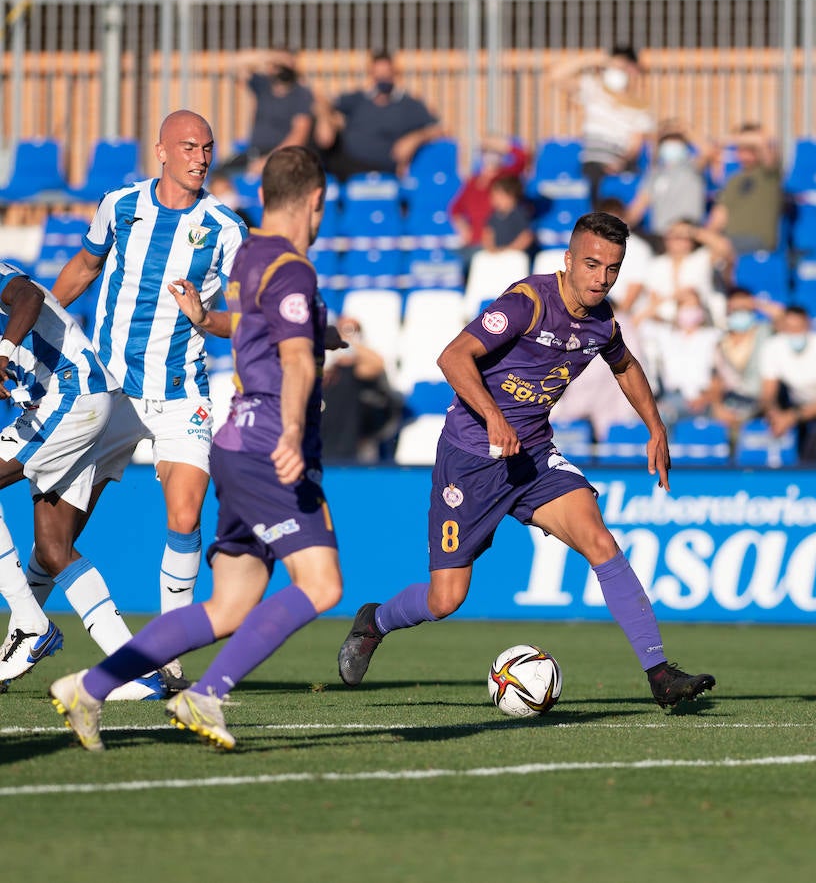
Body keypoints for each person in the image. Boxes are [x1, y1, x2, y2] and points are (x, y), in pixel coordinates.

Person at [335, 212, 715, 711]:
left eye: (612, 268)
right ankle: (374, 621)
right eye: (592, 264)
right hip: (471, 458)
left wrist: (655, 425)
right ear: (568, 260)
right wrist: (493, 416)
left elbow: (624, 365)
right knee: (446, 598)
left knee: (600, 540)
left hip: (532, 456)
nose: (601, 278)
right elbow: (453, 357)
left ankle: (660, 673)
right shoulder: (528, 302)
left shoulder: (602, 323)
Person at [50, 145, 341, 752]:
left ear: (263, 197)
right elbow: (290, 357)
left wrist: (307, 330)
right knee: (322, 586)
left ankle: (91, 687)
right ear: (316, 202)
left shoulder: (252, 254)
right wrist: (291, 430)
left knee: (231, 605)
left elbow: (261, 326)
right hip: (268, 441)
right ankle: (205, 694)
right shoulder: (292, 268)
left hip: (235, 438)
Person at [52, 109, 248, 692]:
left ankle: (168, 644)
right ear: (161, 151)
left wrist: (206, 317)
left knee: (187, 513)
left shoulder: (225, 227)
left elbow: (248, 319)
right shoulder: (120, 205)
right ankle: (23, 634)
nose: (201, 157)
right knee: (61, 527)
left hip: (180, 393)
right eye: (188, 146)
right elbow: (85, 268)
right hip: (108, 391)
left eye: (208, 148)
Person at [0, 262, 159, 700]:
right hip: (62, 405)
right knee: (53, 550)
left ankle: (31, 624)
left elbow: (29, 296)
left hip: (71, 396)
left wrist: (3, 351)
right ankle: (138, 672)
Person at [313, 49, 443, 179]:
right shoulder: (358, 99)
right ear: (371, 74)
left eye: (386, 75)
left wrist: (414, 139)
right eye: (378, 75)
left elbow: (439, 129)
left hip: (386, 171)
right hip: (348, 168)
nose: (382, 79)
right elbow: (323, 102)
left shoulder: (409, 105)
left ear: (394, 73)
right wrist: (325, 118)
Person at [549, 45, 655, 204]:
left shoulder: (640, 108)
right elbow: (555, 77)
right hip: (593, 161)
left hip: (619, 161)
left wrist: (620, 162)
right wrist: (590, 59)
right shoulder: (594, 90)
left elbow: (635, 145)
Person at [758, 305, 816, 462]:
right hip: (795, 406)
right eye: (790, 328)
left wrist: (792, 417)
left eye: (799, 327)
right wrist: (775, 413)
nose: (795, 333)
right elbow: (768, 394)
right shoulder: (772, 347)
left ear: (809, 325)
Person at [219, 48, 315, 175]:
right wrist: (267, 57)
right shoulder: (263, 86)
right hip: (253, 153)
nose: (280, 68)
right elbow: (237, 65)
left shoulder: (301, 94)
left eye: (285, 64)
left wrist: (270, 159)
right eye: (277, 65)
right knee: (219, 175)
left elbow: (299, 135)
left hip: (282, 157)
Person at [320, 315, 402, 464]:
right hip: (317, 445)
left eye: (353, 330)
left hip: (347, 449)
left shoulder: (352, 371)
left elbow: (377, 363)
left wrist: (347, 341)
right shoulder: (318, 370)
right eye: (341, 329)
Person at [625, 219, 733, 329]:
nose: (676, 240)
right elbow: (653, 299)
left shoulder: (701, 258)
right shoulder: (656, 264)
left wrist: (692, 231)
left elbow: (724, 248)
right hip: (664, 324)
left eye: (681, 237)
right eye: (672, 236)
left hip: (701, 323)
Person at [708, 287, 781, 437]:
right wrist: (718, 407)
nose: (740, 312)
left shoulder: (764, 332)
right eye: (736, 309)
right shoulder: (721, 341)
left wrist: (756, 303)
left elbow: (782, 316)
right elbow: (716, 378)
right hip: (731, 401)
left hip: (760, 402)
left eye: (744, 308)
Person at [625, 123, 711, 243]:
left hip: (688, 235)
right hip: (662, 236)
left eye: (676, 144)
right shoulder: (654, 175)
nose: (672, 148)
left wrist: (685, 131)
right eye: (668, 144)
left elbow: (707, 151)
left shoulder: (692, 168)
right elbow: (638, 206)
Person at [706, 124, 783, 256]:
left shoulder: (769, 174)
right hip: (729, 241)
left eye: (751, 149)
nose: (745, 153)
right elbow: (719, 216)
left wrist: (730, 139)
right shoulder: (733, 180)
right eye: (741, 149)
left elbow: (763, 140)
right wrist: (704, 236)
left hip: (758, 241)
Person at [651, 289, 720, 427]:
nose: (690, 311)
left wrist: (706, 398)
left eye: (694, 307)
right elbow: (633, 322)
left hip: (705, 398)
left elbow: (719, 373)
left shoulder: (713, 336)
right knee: (656, 416)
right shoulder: (666, 336)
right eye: (685, 306)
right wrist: (671, 296)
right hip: (673, 397)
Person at [449, 135, 530, 251]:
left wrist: (499, 144)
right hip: (475, 242)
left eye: (494, 151)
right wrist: (463, 227)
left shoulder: (505, 176)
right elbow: (455, 209)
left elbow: (523, 157)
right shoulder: (473, 182)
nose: (490, 155)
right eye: (486, 151)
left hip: (499, 245)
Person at [480, 176, 534, 254]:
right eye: (493, 196)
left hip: (516, 257)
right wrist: (492, 250)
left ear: (511, 196)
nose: (494, 199)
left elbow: (526, 237)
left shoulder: (521, 214)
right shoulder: (493, 216)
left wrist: (508, 250)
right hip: (497, 257)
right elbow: (487, 235)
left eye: (499, 196)